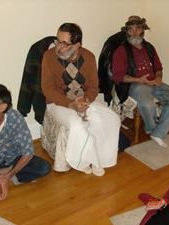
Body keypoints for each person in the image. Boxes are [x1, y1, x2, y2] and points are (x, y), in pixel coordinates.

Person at [41, 23, 120, 176]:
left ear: (76, 45)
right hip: (57, 102)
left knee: (113, 119)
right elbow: (47, 89)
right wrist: (70, 104)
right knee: (77, 124)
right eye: (58, 41)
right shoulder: (49, 56)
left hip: (83, 99)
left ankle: (101, 159)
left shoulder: (88, 57)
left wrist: (85, 101)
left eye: (64, 44)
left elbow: (94, 86)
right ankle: (84, 160)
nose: (58, 47)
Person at [112, 15, 169, 148]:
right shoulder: (121, 50)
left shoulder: (149, 47)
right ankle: (151, 129)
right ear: (126, 32)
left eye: (137, 29)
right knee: (148, 105)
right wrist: (139, 80)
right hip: (135, 84)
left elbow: (158, 68)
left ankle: (158, 133)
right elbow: (118, 76)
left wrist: (159, 77)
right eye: (130, 30)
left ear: (142, 30)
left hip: (154, 83)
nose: (134, 33)